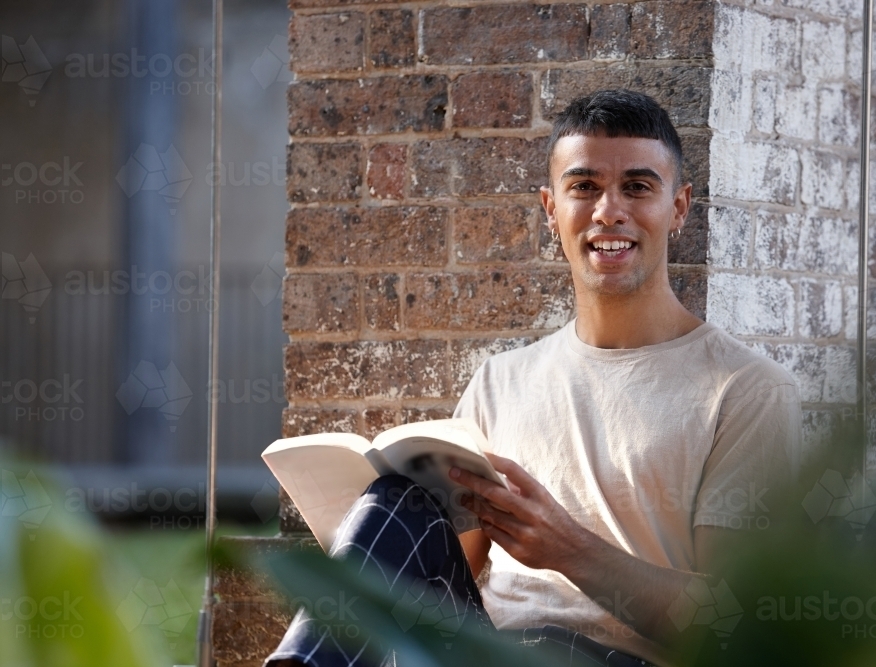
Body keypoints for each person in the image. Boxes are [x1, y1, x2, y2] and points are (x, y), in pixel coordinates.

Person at [266, 89, 802, 667]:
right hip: (484, 652)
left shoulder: (746, 391)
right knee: (397, 501)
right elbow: (450, 577)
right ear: (551, 208)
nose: (608, 211)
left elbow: (739, 627)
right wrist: (369, 543)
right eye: (584, 187)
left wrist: (569, 550)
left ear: (679, 206)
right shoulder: (501, 381)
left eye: (638, 187)